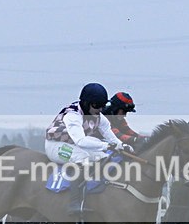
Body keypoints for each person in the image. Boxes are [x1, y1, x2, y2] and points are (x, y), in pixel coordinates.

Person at [45, 82, 129, 213]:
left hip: (72, 145)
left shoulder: (99, 117)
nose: (100, 109)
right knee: (82, 157)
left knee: (104, 156)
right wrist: (106, 145)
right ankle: (74, 203)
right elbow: (81, 141)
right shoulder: (73, 115)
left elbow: (110, 136)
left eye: (102, 105)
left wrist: (122, 146)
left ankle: (93, 192)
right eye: (96, 105)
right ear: (85, 103)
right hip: (56, 145)